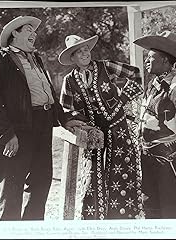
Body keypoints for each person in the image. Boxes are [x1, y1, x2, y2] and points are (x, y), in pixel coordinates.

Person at [0, 16, 84, 221]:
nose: (34, 34)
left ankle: (32, 230)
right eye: (28, 30)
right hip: (17, 130)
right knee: (12, 187)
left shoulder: (36, 58)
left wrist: (64, 119)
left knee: (41, 183)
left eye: (34, 31)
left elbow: (49, 94)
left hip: (42, 125)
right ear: (14, 34)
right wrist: (7, 134)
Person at [58, 34, 144, 220]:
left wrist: (121, 100)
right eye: (79, 51)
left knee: (121, 171)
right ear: (72, 58)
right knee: (93, 171)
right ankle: (95, 218)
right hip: (94, 133)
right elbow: (66, 109)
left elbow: (135, 73)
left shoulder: (105, 66)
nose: (84, 54)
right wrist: (83, 124)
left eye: (86, 49)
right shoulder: (69, 80)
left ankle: (121, 216)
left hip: (117, 127)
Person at [133, 30, 176, 218]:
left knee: (171, 215)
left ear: (164, 61)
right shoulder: (152, 86)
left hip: (169, 165)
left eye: (151, 57)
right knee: (151, 214)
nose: (147, 61)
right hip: (148, 161)